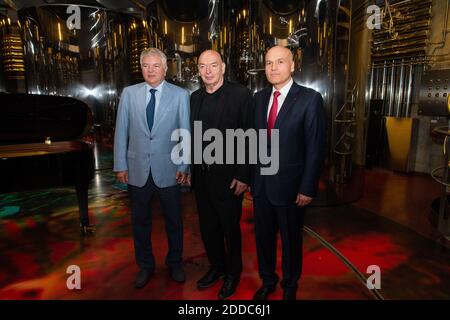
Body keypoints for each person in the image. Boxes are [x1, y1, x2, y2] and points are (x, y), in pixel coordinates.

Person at [251, 46, 326, 300]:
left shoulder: (309, 98)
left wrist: (307, 188)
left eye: (280, 62)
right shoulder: (259, 98)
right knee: (263, 240)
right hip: (261, 187)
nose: (273, 67)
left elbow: (315, 148)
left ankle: (290, 286)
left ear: (292, 65)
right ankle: (268, 280)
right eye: (269, 62)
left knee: (291, 241)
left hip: (292, 189)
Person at [113, 48, 190, 288]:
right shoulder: (129, 93)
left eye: (156, 65)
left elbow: (184, 133)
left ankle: (175, 263)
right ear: (141, 68)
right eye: (146, 65)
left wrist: (184, 165)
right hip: (137, 170)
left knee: (174, 222)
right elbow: (121, 131)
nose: (150, 70)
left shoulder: (180, 95)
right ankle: (145, 266)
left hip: (170, 170)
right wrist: (120, 165)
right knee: (140, 223)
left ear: (165, 69)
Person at [190, 50, 252, 299]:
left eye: (213, 65)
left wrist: (244, 175)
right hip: (202, 178)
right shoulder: (194, 98)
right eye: (203, 66)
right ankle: (217, 267)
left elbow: (250, 136)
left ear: (223, 67)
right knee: (207, 228)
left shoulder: (240, 95)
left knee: (230, 229)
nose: (207, 71)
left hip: (229, 178)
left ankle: (233, 273)